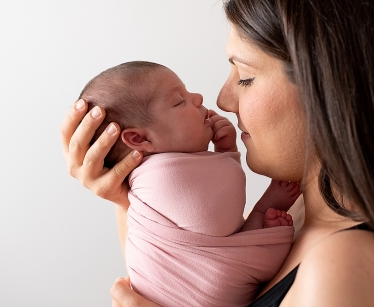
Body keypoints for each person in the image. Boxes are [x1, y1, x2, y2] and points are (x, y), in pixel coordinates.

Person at [61, 0, 374, 307]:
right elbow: (180, 279)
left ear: (327, 86)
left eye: (244, 76)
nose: (223, 99)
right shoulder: (295, 213)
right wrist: (125, 194)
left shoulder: (343, 266)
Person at [78, 61, 300, 306]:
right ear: (139, 138)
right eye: (179, 101)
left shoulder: (153, 180)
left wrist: (226, 153)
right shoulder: (158, 176)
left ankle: (260, 217)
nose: (198, 98)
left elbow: (215, 221)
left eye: (246, 77)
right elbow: (216, 217)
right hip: (199, 288)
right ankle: (260, 217)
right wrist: (227, 154)